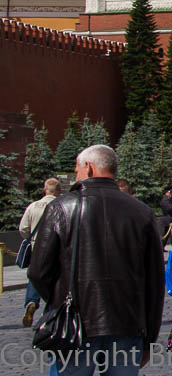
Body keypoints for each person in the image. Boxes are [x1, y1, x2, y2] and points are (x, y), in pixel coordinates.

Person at [30, 145, 164, 376]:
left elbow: (38, 272)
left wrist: (59, 302)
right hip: (127, 324)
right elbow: (154, 282)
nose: (76, 176)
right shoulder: (141, 212)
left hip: (76, 324)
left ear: (89, 168)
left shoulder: (61, 207)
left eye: (77, 171)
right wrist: (149, 337)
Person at [18, 177, 61, 327]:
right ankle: (50, 309)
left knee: (35, 275)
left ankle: (31, 302)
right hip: (56, 247)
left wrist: (31, 239)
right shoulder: (60, 205)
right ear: (59, 190)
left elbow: (23, 228)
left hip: (36, 247)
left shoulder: (33, 206)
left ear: (45, 189)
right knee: (56, 278)